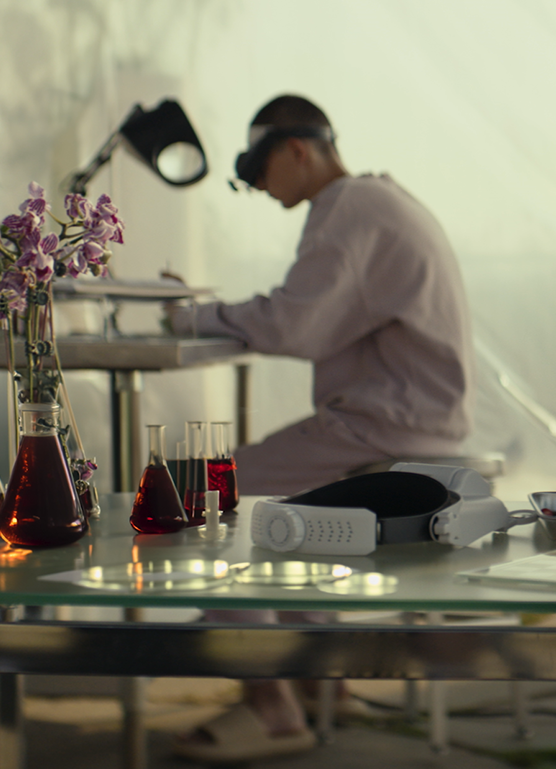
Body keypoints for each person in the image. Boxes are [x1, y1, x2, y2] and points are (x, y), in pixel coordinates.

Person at [167, 94, 473, 763]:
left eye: (255, 166)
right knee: (275, 514)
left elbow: (293, 325)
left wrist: (188, 313)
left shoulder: (346, 209)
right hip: (413, 422)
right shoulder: (379, 201)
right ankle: (321, 683)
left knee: (198, 496)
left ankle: (273, 707)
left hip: (387, 430)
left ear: (296, 149)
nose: (253, 184)